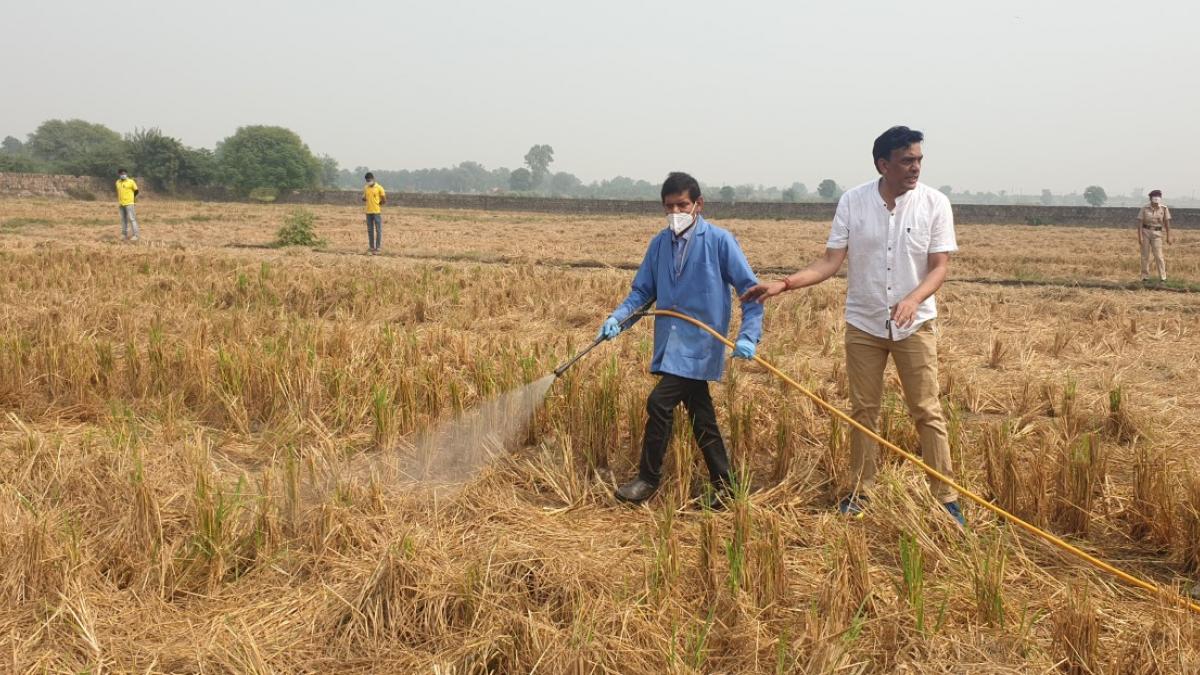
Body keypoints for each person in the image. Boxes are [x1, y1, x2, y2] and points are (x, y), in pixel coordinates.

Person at [741, 126, 964, 526]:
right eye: (906, 160)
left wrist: (913, 300)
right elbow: (830, 262)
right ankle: (862, 492)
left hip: (915, 326)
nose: (915, 167)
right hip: (864, 323)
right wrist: (784, 284)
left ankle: (945, 498)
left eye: (918, 159)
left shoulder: (935, 203)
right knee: (864, 410)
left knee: (927, 411)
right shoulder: (853, 202)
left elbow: (940, 267)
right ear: (884, 164)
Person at [602, 171, 763, 508]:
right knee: (700, 415)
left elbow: (751, 292)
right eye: (669, 206)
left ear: (698, 205)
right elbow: (643, 293)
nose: (675, 212)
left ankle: (648, 480)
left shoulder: (720, 241)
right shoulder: (659, 244)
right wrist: (618, 318)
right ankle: (726, 484)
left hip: (701, 345)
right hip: (670, 344)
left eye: (682, 205)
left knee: (659, 403)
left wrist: (748, 336)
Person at [1137, 189, 1172, 283]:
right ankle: (1144, 276)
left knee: (1159, 255)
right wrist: (1139, 236)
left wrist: (1169, 236)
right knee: (1145, 255)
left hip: (1157, 233)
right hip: (1145, 232)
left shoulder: (1164, 208)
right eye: (1154, 199)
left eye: (1158, 199)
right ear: (1151, 199)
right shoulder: (1144, 208)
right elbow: (1140, 224)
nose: (1156, 202)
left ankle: (1163, 277)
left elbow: (1167, 223)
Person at [362, 172, 387, 255]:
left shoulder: (379, 188)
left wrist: (379, 204)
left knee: (378, 230)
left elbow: (384, 199)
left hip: (376, 212)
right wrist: (364, 198)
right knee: (370, 231)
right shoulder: (366, 188)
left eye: (369, 180)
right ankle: (371, 247)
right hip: (368, 212)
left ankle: (378, 248)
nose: (368, 182)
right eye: (367, 181)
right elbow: (364, 197)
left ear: (373, 178)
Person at [115, 169, 139, 242]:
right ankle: (124, 234)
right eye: (122, 174)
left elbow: (136, 191)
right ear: (119, 174)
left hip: (129, 203)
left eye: (124, 173)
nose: (123, 175)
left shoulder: (131, 181)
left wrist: (132, 198)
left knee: (132, 219)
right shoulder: (117, 182)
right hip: (121, 203)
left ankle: (136, 235)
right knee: (123, 219)